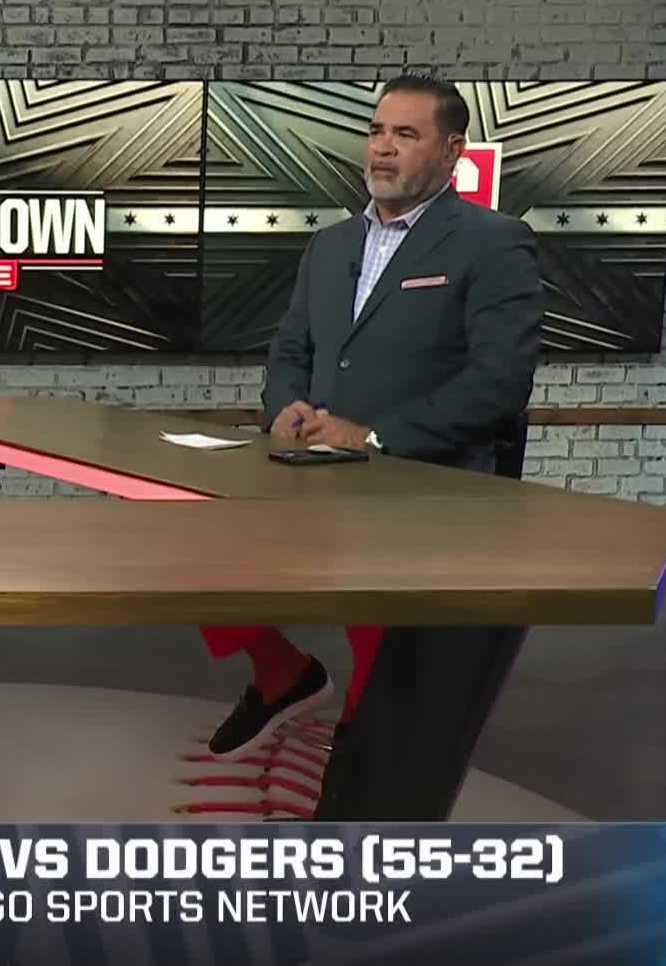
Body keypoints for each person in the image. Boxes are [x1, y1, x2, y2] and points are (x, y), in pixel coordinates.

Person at [201, 73, 543, 758]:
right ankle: (282, 673)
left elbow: (500, 381)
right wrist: (284, 407)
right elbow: (291, 348)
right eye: (377, 131)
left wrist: (375, 436)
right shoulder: (329, 245)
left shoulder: (493, 242)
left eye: (405, 135)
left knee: (380, 679)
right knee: (196, 547)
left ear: (452, 151)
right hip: (312, 472)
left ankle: (363, 768)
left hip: (423, 488)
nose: (383, 148)